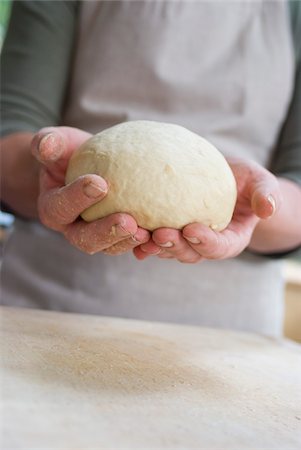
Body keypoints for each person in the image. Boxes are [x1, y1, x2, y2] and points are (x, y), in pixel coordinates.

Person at [1, 0, 301, 337]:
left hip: (227, 338)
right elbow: (10, 133)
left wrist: (255, 205)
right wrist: (52, 169)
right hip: (49, 309)